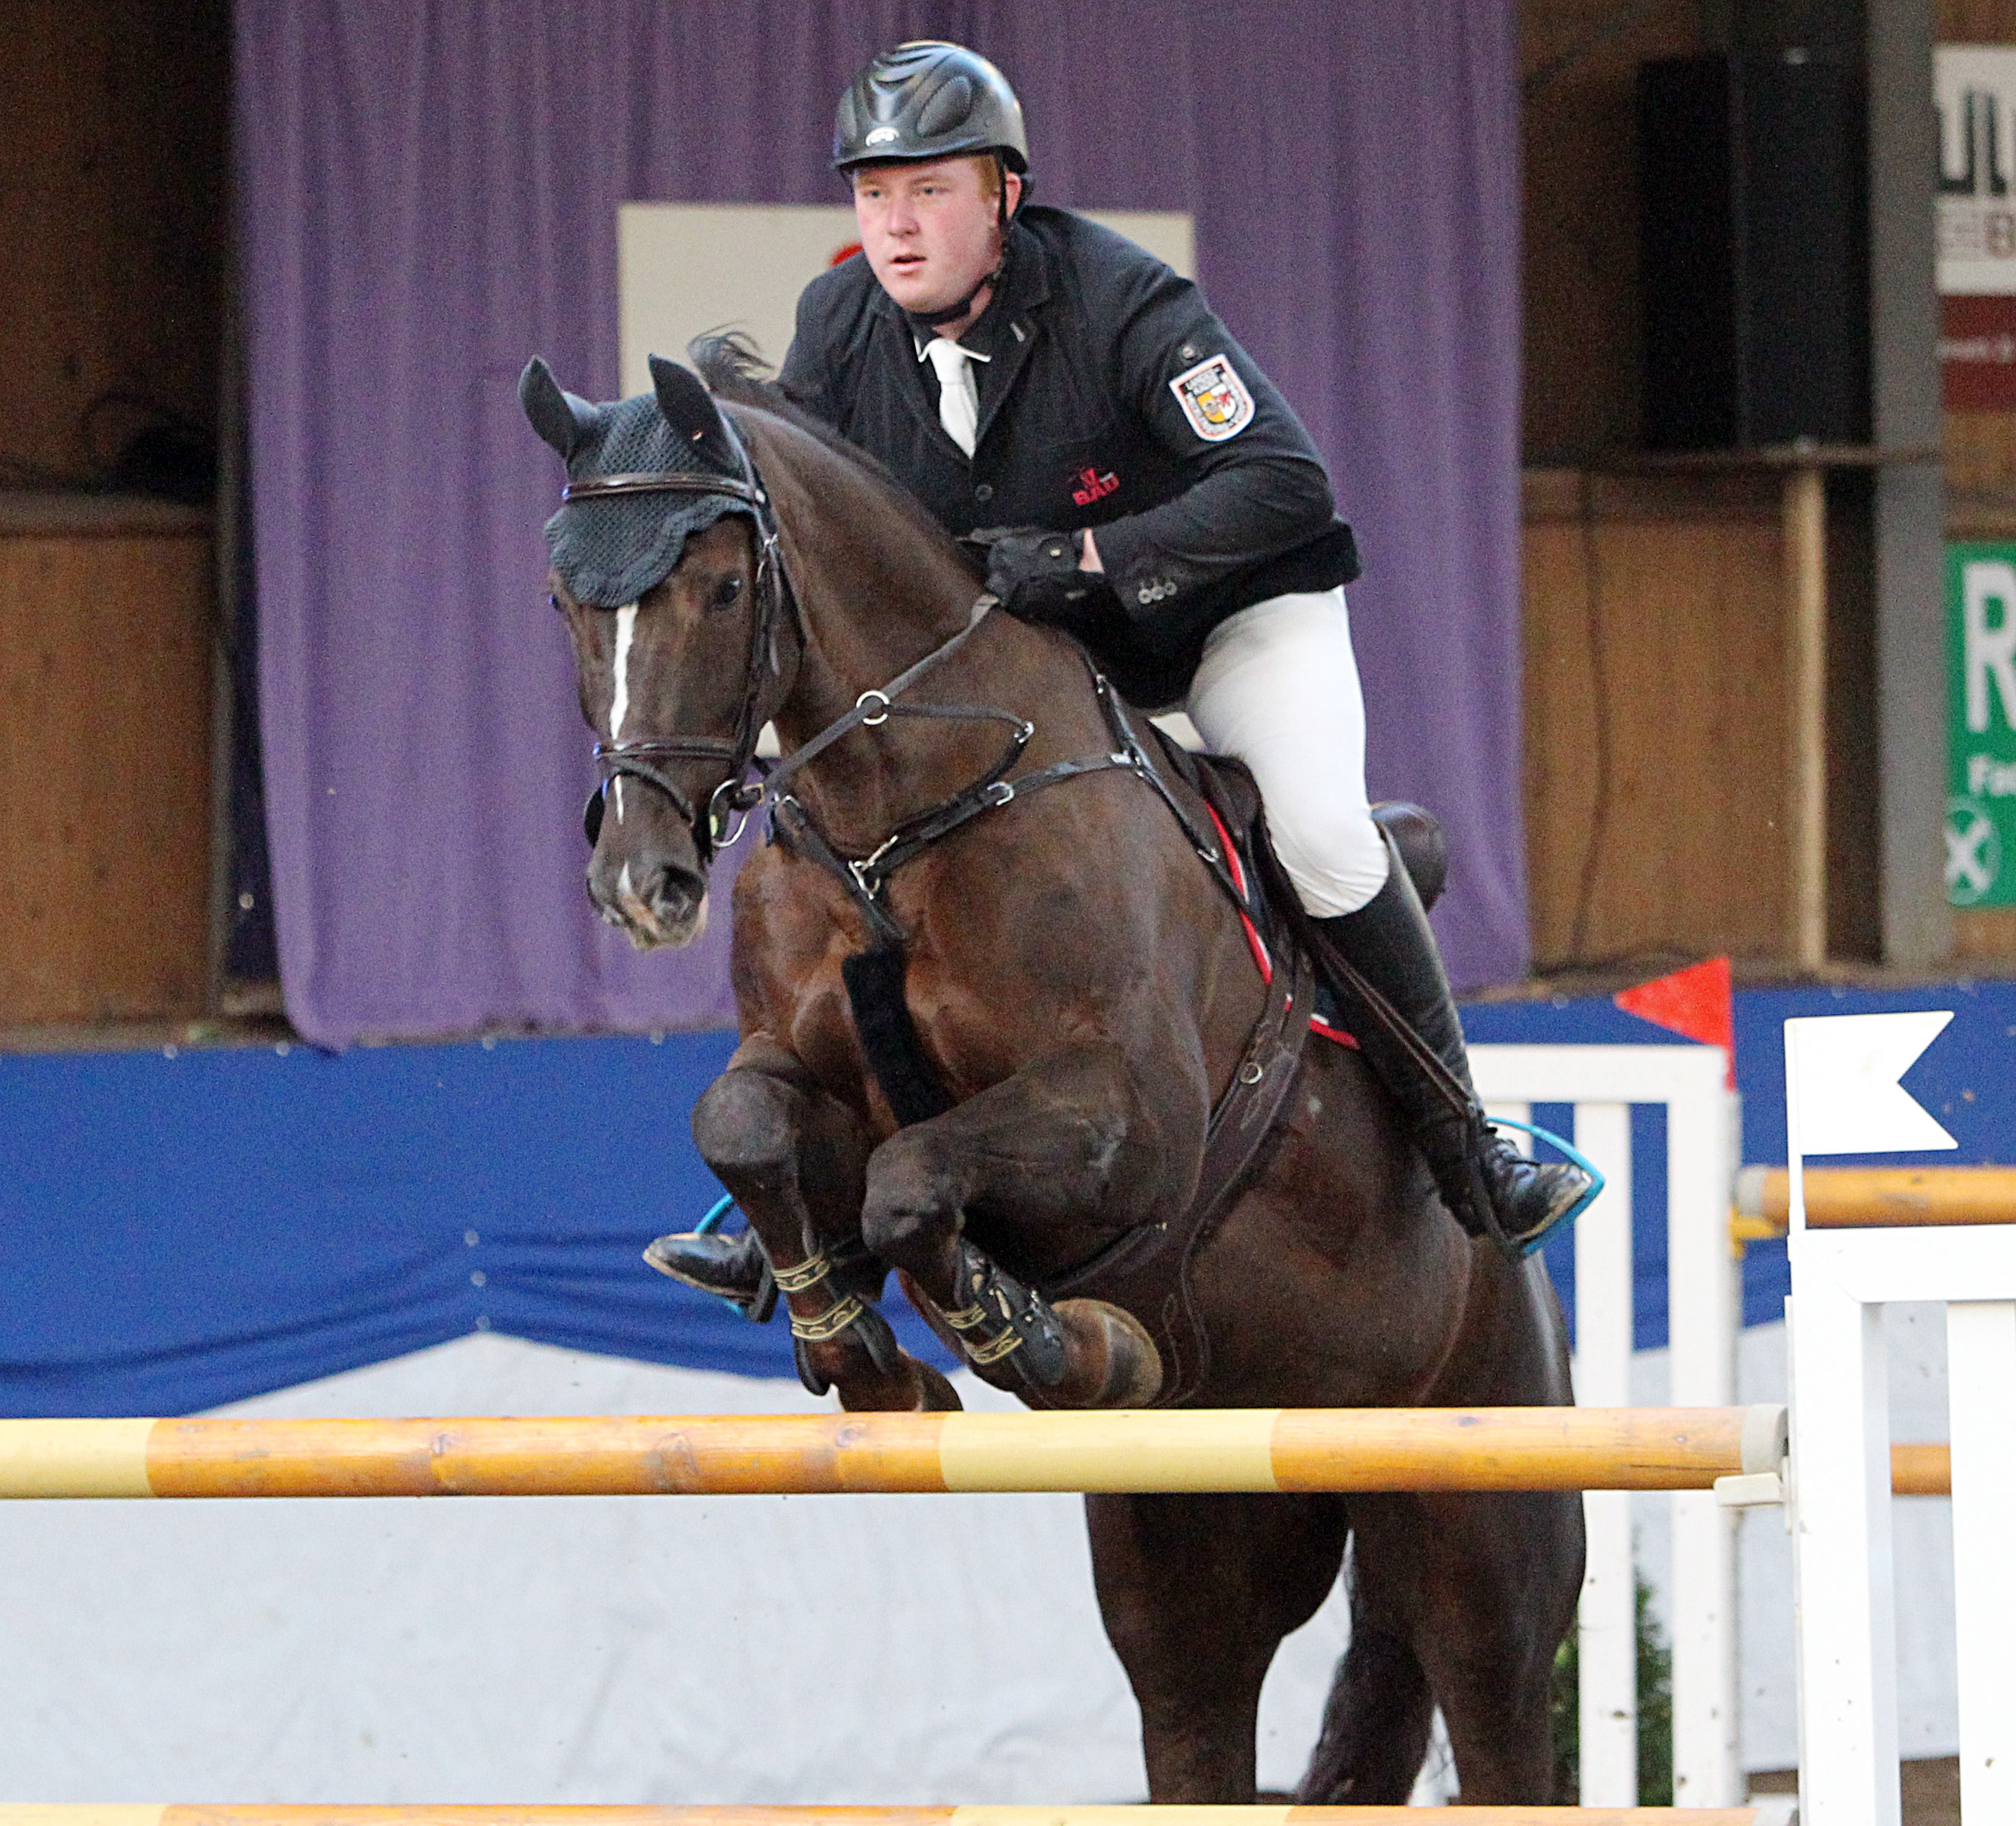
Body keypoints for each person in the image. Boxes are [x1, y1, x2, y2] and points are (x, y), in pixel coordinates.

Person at [665, 40, 1590, 1288]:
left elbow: (1281, 480)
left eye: (929, 190)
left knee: (1315, 832)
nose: (896, 224)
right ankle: (791, 1213)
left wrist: (1097, 553)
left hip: (1222, 628)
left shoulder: (1120, 296)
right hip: (1049, 668)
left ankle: (1467, 1146)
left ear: (1003, 195)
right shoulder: (839, 322)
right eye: (874, 194)